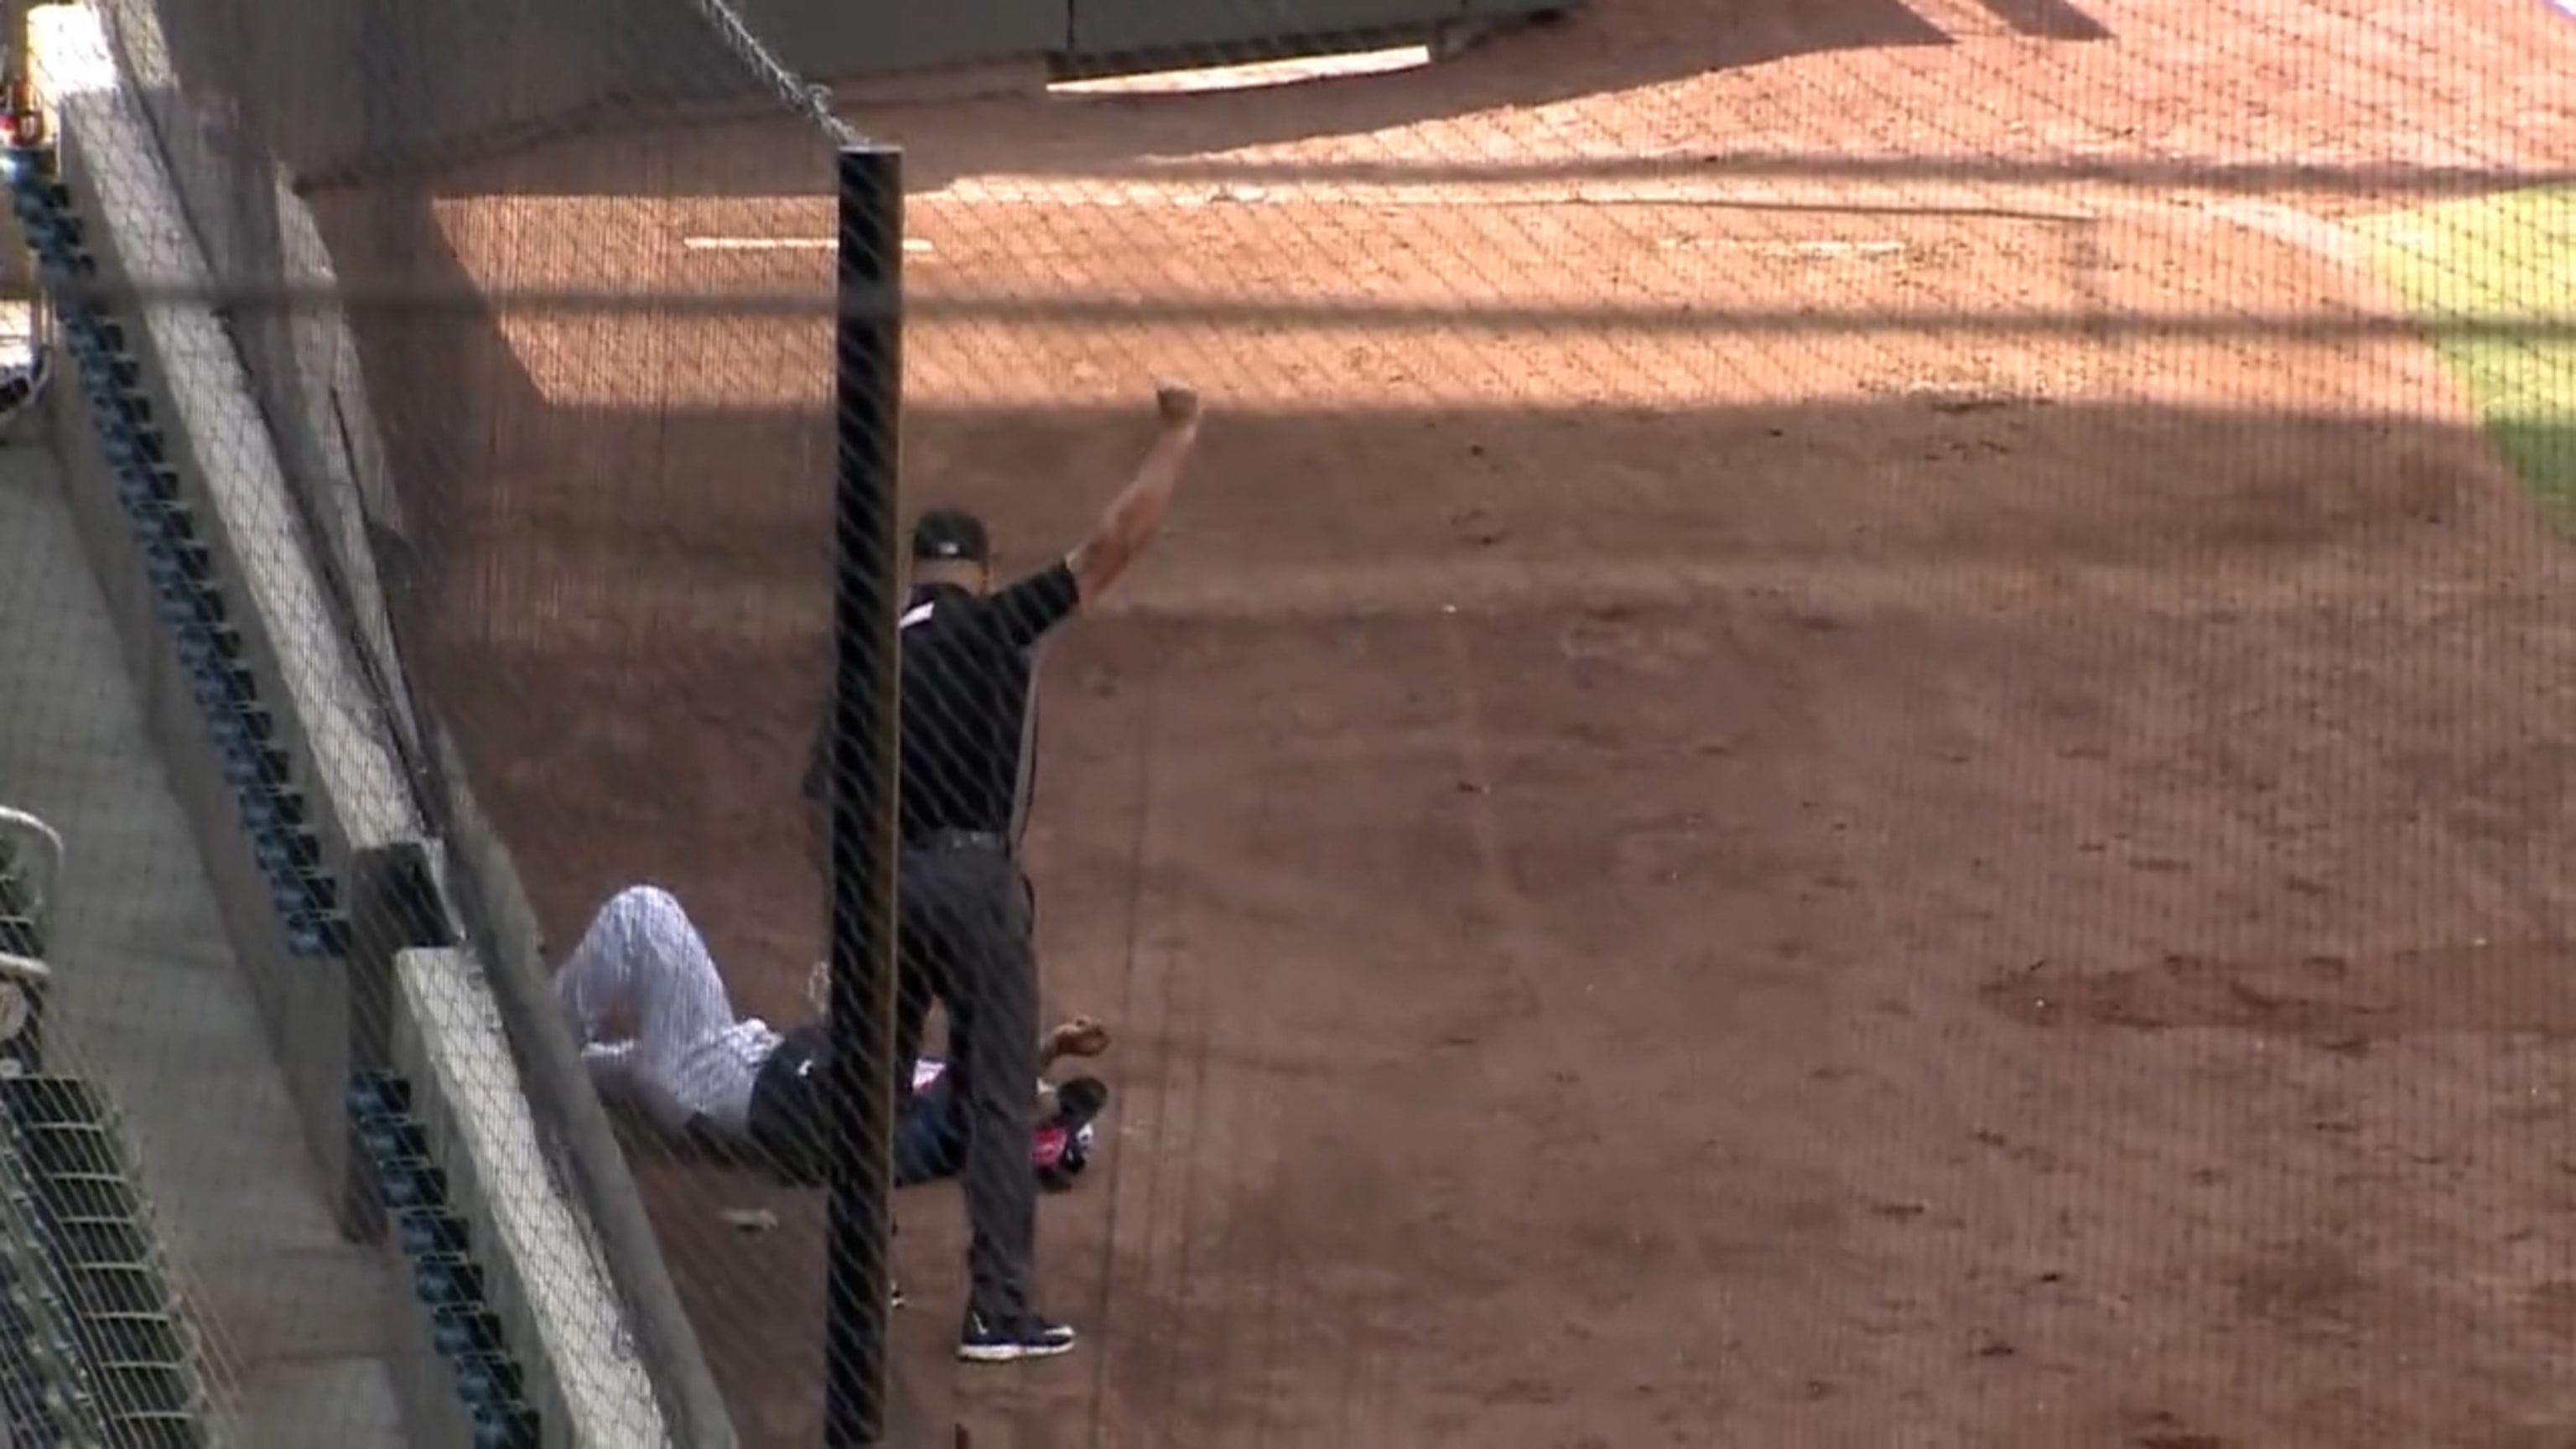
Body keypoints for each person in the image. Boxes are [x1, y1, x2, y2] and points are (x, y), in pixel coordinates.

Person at [799, 379, 1203, 1363]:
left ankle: (861, 1288)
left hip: (884, 888)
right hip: (977, 887)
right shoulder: (1001, 624)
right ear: (979, 570)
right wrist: (1176, 436)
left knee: (873, 1091)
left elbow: (818, 799)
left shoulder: (871, 657)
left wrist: (846, 914)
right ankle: (998, 1312)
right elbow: (1112, 544)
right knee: (991, 1095)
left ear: (914, 575)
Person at [552, 883, 1113, 1194]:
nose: (1045, 1085)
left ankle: (533, 1034)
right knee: (606, 1065)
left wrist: (844, 1033)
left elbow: (847, 1148)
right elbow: (996, 1075)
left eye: (1051, 1102)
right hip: (734, 1058)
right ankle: (560, 1055)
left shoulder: (933, 1135)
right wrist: (1055, 1045)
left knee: (643, 915)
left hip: (718, 1080)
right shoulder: (960, 1099)